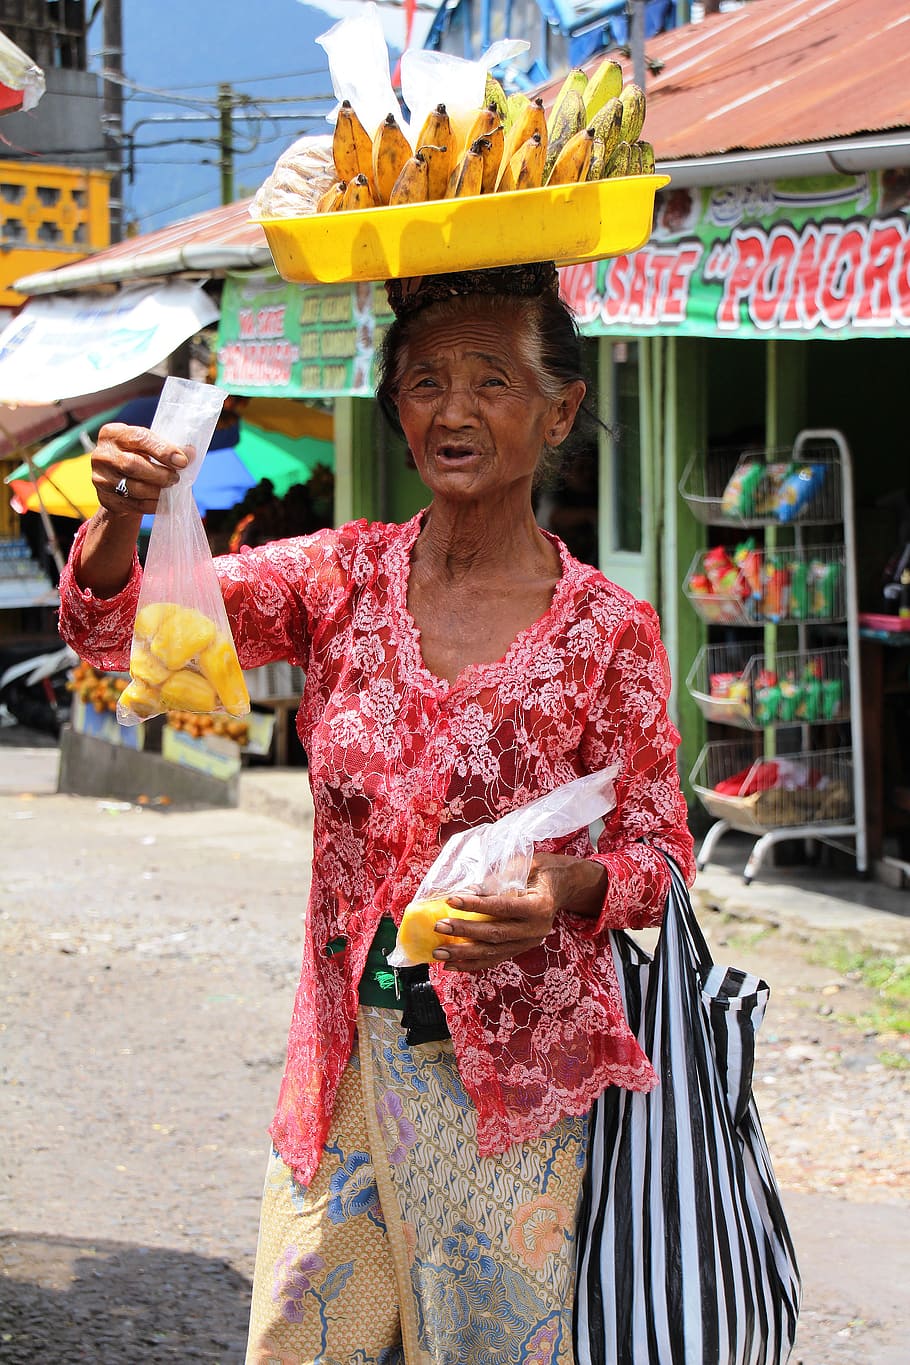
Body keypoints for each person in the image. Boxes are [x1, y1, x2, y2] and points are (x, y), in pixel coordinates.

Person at [57, 261, 695, 1365]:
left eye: (491, 381)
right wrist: (125, 518)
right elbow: (124, 634)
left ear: (559, 411)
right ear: (395, 406)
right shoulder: (342, 579)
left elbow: (661, 857)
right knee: (307, 1344)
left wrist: (566, 889)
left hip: (518, 1089)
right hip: (347, 1061)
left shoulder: (609, 631)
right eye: (424, 382)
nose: (453, 409)